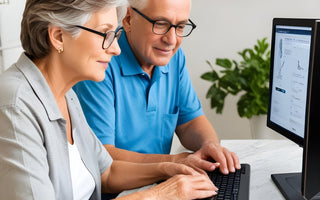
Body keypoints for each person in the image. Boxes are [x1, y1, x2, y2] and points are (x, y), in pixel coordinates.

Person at [0, 0, 218, 199]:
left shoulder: (67, 96)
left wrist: (170, 168)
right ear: (58, 36)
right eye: (105, 34)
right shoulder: (15, 106)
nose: (115, 49)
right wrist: (162, 194)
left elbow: (107, 172)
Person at [73, 0, 241, 176]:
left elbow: (190, 121)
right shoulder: (100, 62)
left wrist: (210, 146)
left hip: (161, 180)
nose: (172, 40)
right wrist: (176, 162)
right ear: (129, 19)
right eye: (160, 24)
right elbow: (103, 156)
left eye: (181, 27)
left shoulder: (174, 58)